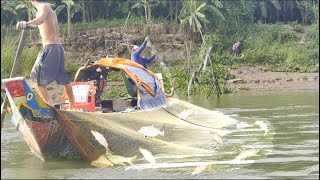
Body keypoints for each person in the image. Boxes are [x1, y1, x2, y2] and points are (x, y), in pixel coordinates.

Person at [17, 0, 75, 110]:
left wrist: (27, 23)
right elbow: (42, 21)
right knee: (64, 79)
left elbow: (41, 19)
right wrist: (30, 25)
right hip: (58, 48)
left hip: (50, 48)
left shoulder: (43, 7)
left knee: (35, 76)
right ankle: (73, 107)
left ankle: (49, 105)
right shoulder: (50, 9)